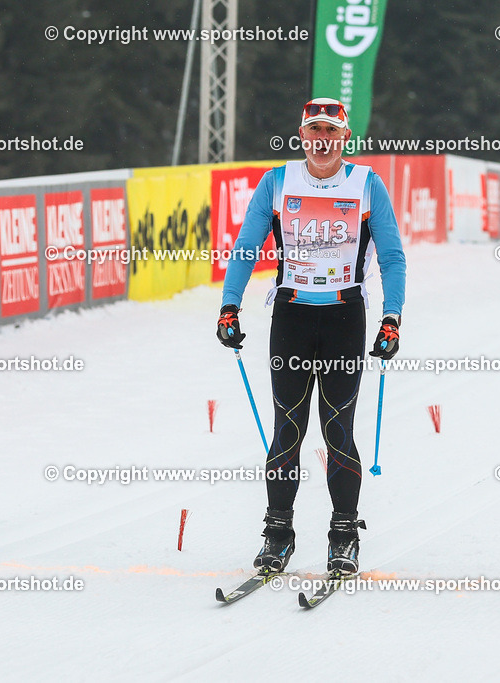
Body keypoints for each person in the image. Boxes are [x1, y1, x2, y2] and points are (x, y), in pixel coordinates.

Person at [216, 97, 406, 575]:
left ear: (345, 140)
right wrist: (229, 306)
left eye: (331, 132)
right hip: (292, 318)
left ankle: (344, 534)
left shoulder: (367, 186)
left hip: (345, 317)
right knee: (288, 428)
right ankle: (277, 533)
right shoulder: (277, 182)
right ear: (302, 136)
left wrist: (392, 318)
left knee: (337, 428)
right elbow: (245, 246)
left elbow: (392, 257)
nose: (321, 140)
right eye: (313, 131)